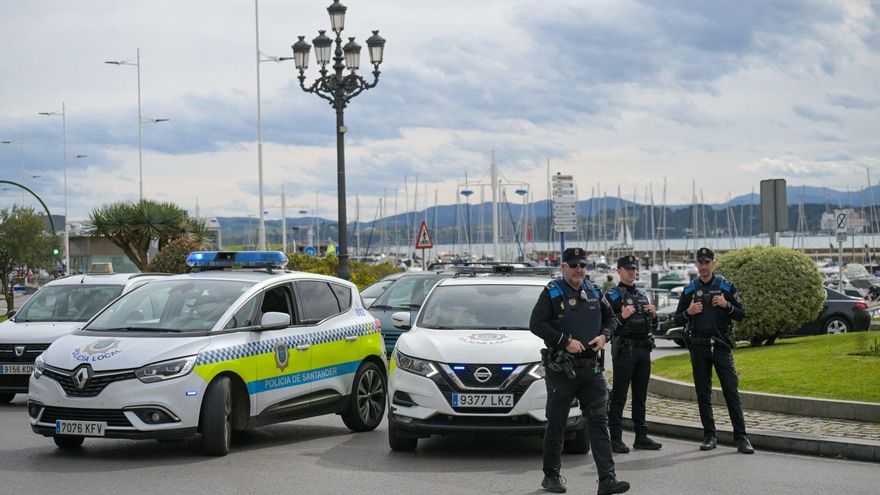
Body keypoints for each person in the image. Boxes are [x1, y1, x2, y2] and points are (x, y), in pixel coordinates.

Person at [530, 247, 630, 495]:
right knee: (558, 422)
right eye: (574, 266)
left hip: (590, 368)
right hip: (562, 369)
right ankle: (551, 475)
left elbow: (612, 319)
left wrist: (604, 336)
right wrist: (564, 341)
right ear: (563, 267)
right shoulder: (552, 292)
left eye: (583, 266)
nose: (579, 270)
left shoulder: (594, 290)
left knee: (598, 421)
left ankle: (607, 479)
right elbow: (536, 324)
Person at [673, 247, 754, 454]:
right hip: (699, 346)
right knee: (703, 393)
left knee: (731, 392)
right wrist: (689, 312)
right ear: (696, 264)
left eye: (707, 262)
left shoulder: (725, 286)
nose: (703, 266)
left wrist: (726, 305)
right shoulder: (690, 290)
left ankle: (742, 437)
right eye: (700, 262)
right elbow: (677, 319)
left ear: (713, 263)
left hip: (721, 346)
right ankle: (709, 435)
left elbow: (741, 314)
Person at [606, 255, 662, 453]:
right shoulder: (612, 295)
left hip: (643, 349)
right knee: (620, 395)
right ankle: (615, 437)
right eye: (628, 268)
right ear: (619, 270)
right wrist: (623, 315)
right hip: (625, 350)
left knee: (640, 395)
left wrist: (653, 314)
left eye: (634, 268)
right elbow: (607, 324)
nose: (632, 271)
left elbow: (652, 326)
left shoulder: (641, 295)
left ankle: (641, 436)